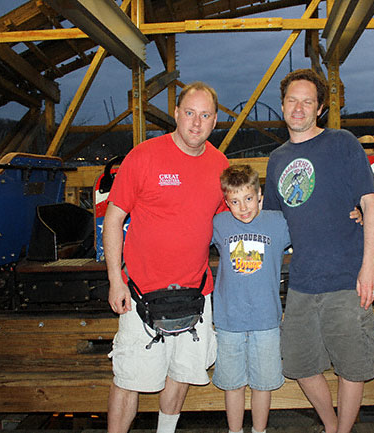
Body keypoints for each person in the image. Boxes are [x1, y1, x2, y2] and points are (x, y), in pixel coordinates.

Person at [103, 81, 229, 433]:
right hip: (141, 293)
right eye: (189, 113)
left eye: (205, 115)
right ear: (176, 113)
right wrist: (115, 279)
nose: (195, 122)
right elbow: (113, 219)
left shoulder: (220, 165)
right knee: (129, 377)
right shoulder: (143, 156)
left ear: (215, 121)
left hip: (196, 292)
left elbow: (238, 213)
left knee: (184, 371)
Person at [263, 68, 374, 433]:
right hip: (301, 282)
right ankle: (331, 425)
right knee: (297, 363)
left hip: (347, 278)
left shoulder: (343, 143)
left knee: (353, 365)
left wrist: (369, 266)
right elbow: (270, 222)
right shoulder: (277, 159)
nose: (298, 108)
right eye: (292, 101)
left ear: (319, 108)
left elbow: (371, 202)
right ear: (282, 106)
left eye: (307, 102)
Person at [211, 164, 291, 433]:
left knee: (262, 383)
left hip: (266, 319)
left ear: (260, 196)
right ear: (226, 202)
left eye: (248, 199)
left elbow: (313, 228)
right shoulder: (219, 223)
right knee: (233, 384)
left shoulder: (278, 222)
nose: (243, 207)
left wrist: (354, 214)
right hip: (228, 320)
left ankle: (259, 430)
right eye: (234, 201)